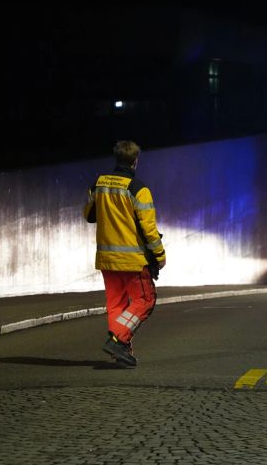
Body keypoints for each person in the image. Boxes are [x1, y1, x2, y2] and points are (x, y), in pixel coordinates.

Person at [83, 140, 166, 366]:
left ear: (117, 159)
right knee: (145, 300)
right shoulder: (139, 190)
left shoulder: (98, 185)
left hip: (106, 259)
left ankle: (121, 353)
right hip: (132, 260)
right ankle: (118, 340)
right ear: (135, 161)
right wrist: (159, 256)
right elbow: (149, 231)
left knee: (116, 304)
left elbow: (89, 215)